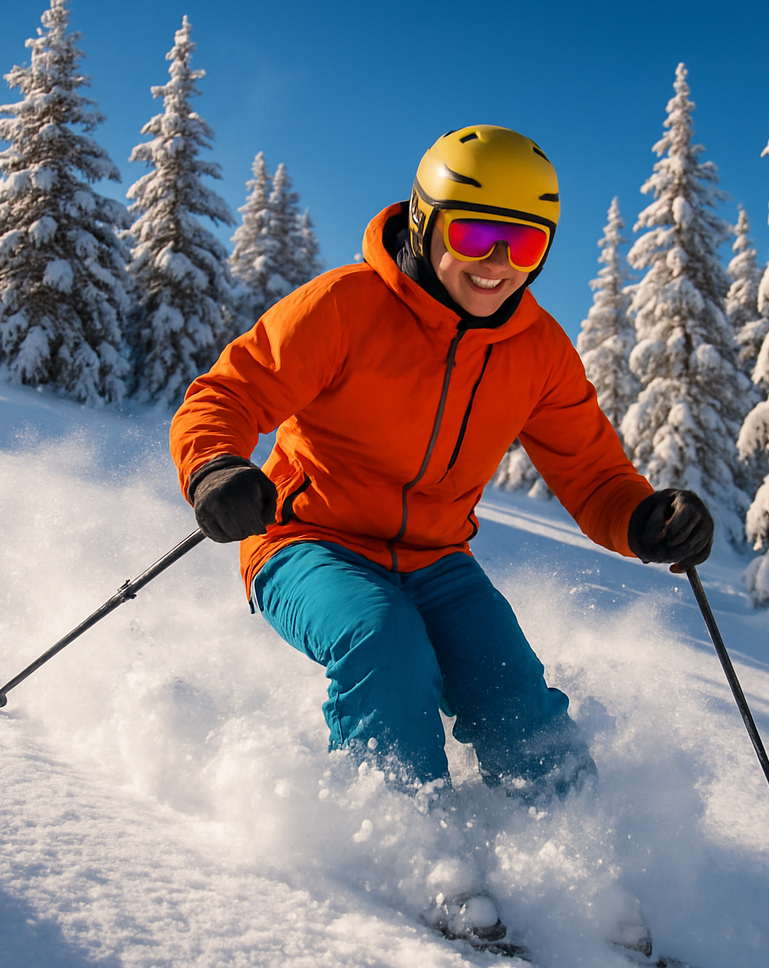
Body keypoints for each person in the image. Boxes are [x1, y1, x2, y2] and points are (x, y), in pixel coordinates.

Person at [170, 124, 713, 807]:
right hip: (305, 540)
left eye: (523, 242)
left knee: (507, 681)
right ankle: (408, 845)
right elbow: (229, 393)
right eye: (474, 236)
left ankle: (577, 856)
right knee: (383, 645)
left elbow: (594, 474)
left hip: (435, 559)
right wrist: (216, 466)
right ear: (426, 223)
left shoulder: (538, 351)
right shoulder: (345, 307)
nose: (497, 263)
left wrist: (646, 518)